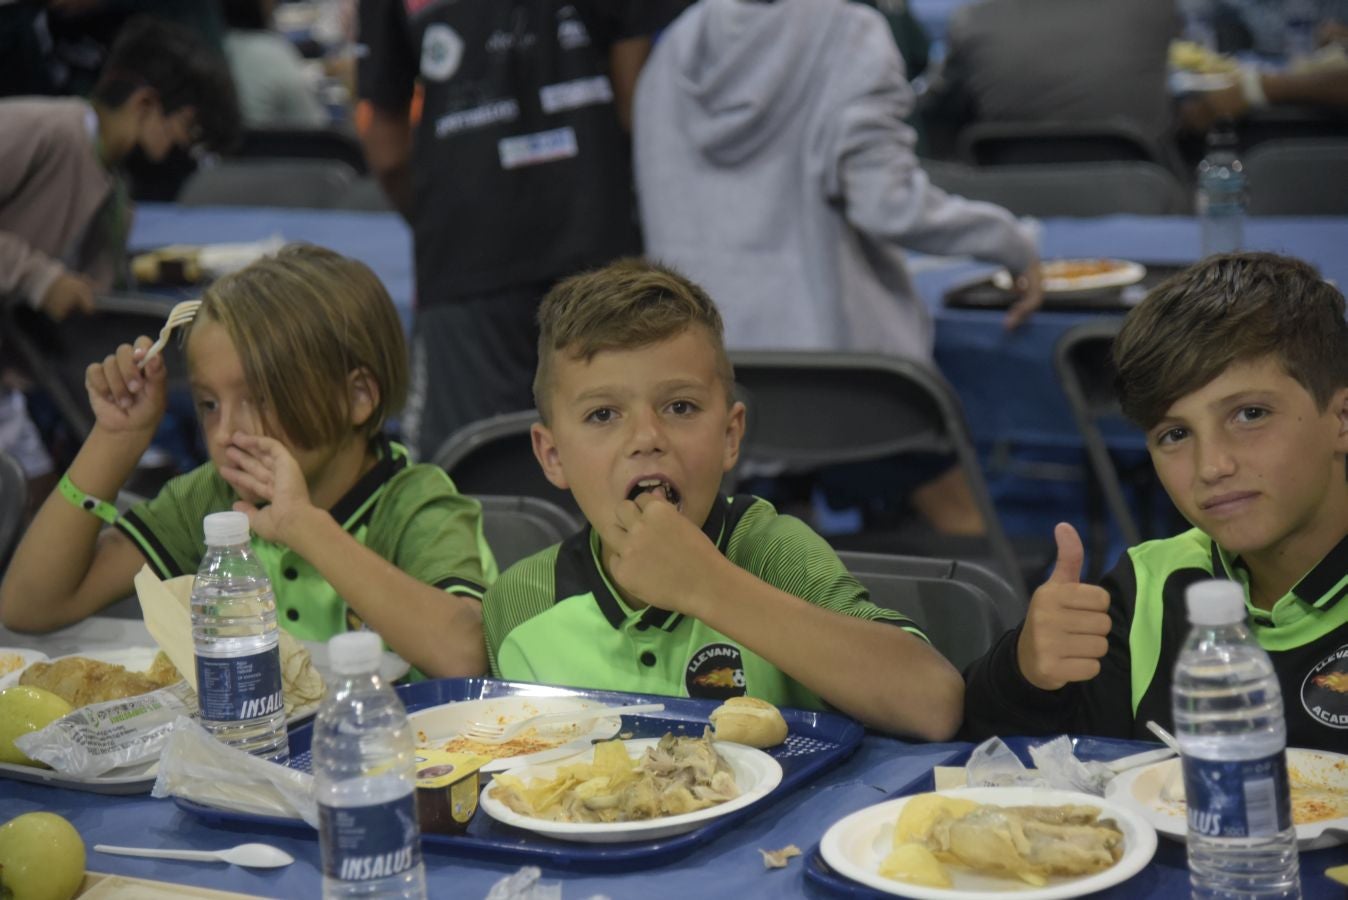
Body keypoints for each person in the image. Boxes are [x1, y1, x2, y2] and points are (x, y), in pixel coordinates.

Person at [480, 259, 964, 740]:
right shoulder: (523, 603)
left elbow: (933, 702)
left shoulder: (770, 551)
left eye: (680, 407)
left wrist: (708, 586)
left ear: (730, 436)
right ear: (552, 455)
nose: (646, 437)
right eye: (604, 414)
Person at [632, 0, 1042, 537]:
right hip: (848, 378)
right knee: (967, 530)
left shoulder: (676, 46)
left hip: (718, 377)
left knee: (764, 565)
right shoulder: (848, 32)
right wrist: (1011, 243)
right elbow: (885, 203)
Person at [0, 245, 497, 680]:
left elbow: (462, 653)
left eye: (259, 398)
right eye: (209, 404)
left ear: (358, 396)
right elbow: (29, 605)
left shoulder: (414, 502)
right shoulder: (214, 496)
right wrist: (115, 439)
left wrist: (304, 527)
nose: (226, 433)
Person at [962, 252, 1348, 752]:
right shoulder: (1148, 588)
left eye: (1250, 414)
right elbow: (1004, 761)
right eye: (1175, 434)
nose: (1212, 466)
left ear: (1341, 419)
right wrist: (1026, 673)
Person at [355, 0, 689, 462]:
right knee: (627, 465)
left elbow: (386, 145)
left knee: (465, 482)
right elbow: (640, 100)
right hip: (600, 244)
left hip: (468, 255)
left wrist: (450, 215)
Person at [0, 15, 239, 503]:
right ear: (147, 104)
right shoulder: (41, 128)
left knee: (36, 492)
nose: (180, 147)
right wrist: (38, 278)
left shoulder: (113, 191)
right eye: (185, 128)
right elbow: (45, 280)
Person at [921, 0, 1176, 153]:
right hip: (1146, 203)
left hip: (1009, 203)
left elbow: (932, 110)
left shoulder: (973, 22)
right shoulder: (1153, 8)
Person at [222, 0, 330, 129]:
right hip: (270, 147)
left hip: (226, 146)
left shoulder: (211, 48)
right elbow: (315, 127)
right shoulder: (270, 52)